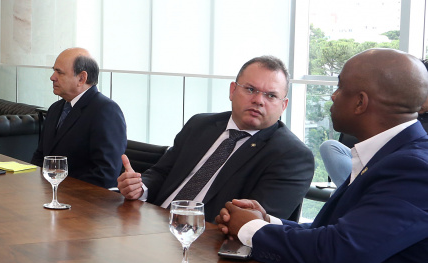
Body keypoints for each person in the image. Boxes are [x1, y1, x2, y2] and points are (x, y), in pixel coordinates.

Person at [217, 49, 428, 263]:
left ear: (360, 102)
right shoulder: (386, 154)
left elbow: (337, 252)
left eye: (340, 87)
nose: (333, 95)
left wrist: (251, 229)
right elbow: (331, 232)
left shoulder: (415, 168)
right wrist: (267, 221)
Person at [117, 55, 314, 222]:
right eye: (250, 89)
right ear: (232, 90)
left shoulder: (292, 156)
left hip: (209, 246)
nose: (258, 100)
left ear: (284, 105)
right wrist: (140, 187)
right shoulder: (200, 125)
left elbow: (255, 224)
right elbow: (162, 172)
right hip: (152, 223)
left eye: (271, 96)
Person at [319, 58, 428, 185]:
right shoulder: (403, 115)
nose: (333, 96)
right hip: (372, 160)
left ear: (361, 101)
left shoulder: (414, 160)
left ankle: (351, 189)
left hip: (390, 163)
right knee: (330, 147)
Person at [31, 48, 127, 189]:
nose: (52, 77)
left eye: (60, 72)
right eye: (54, 71)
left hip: (83, 203)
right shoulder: (55, 108)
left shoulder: (105, 110)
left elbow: (105, 174)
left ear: (81, 78)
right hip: (48, 196)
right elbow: (41, 157)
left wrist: (62, 192)